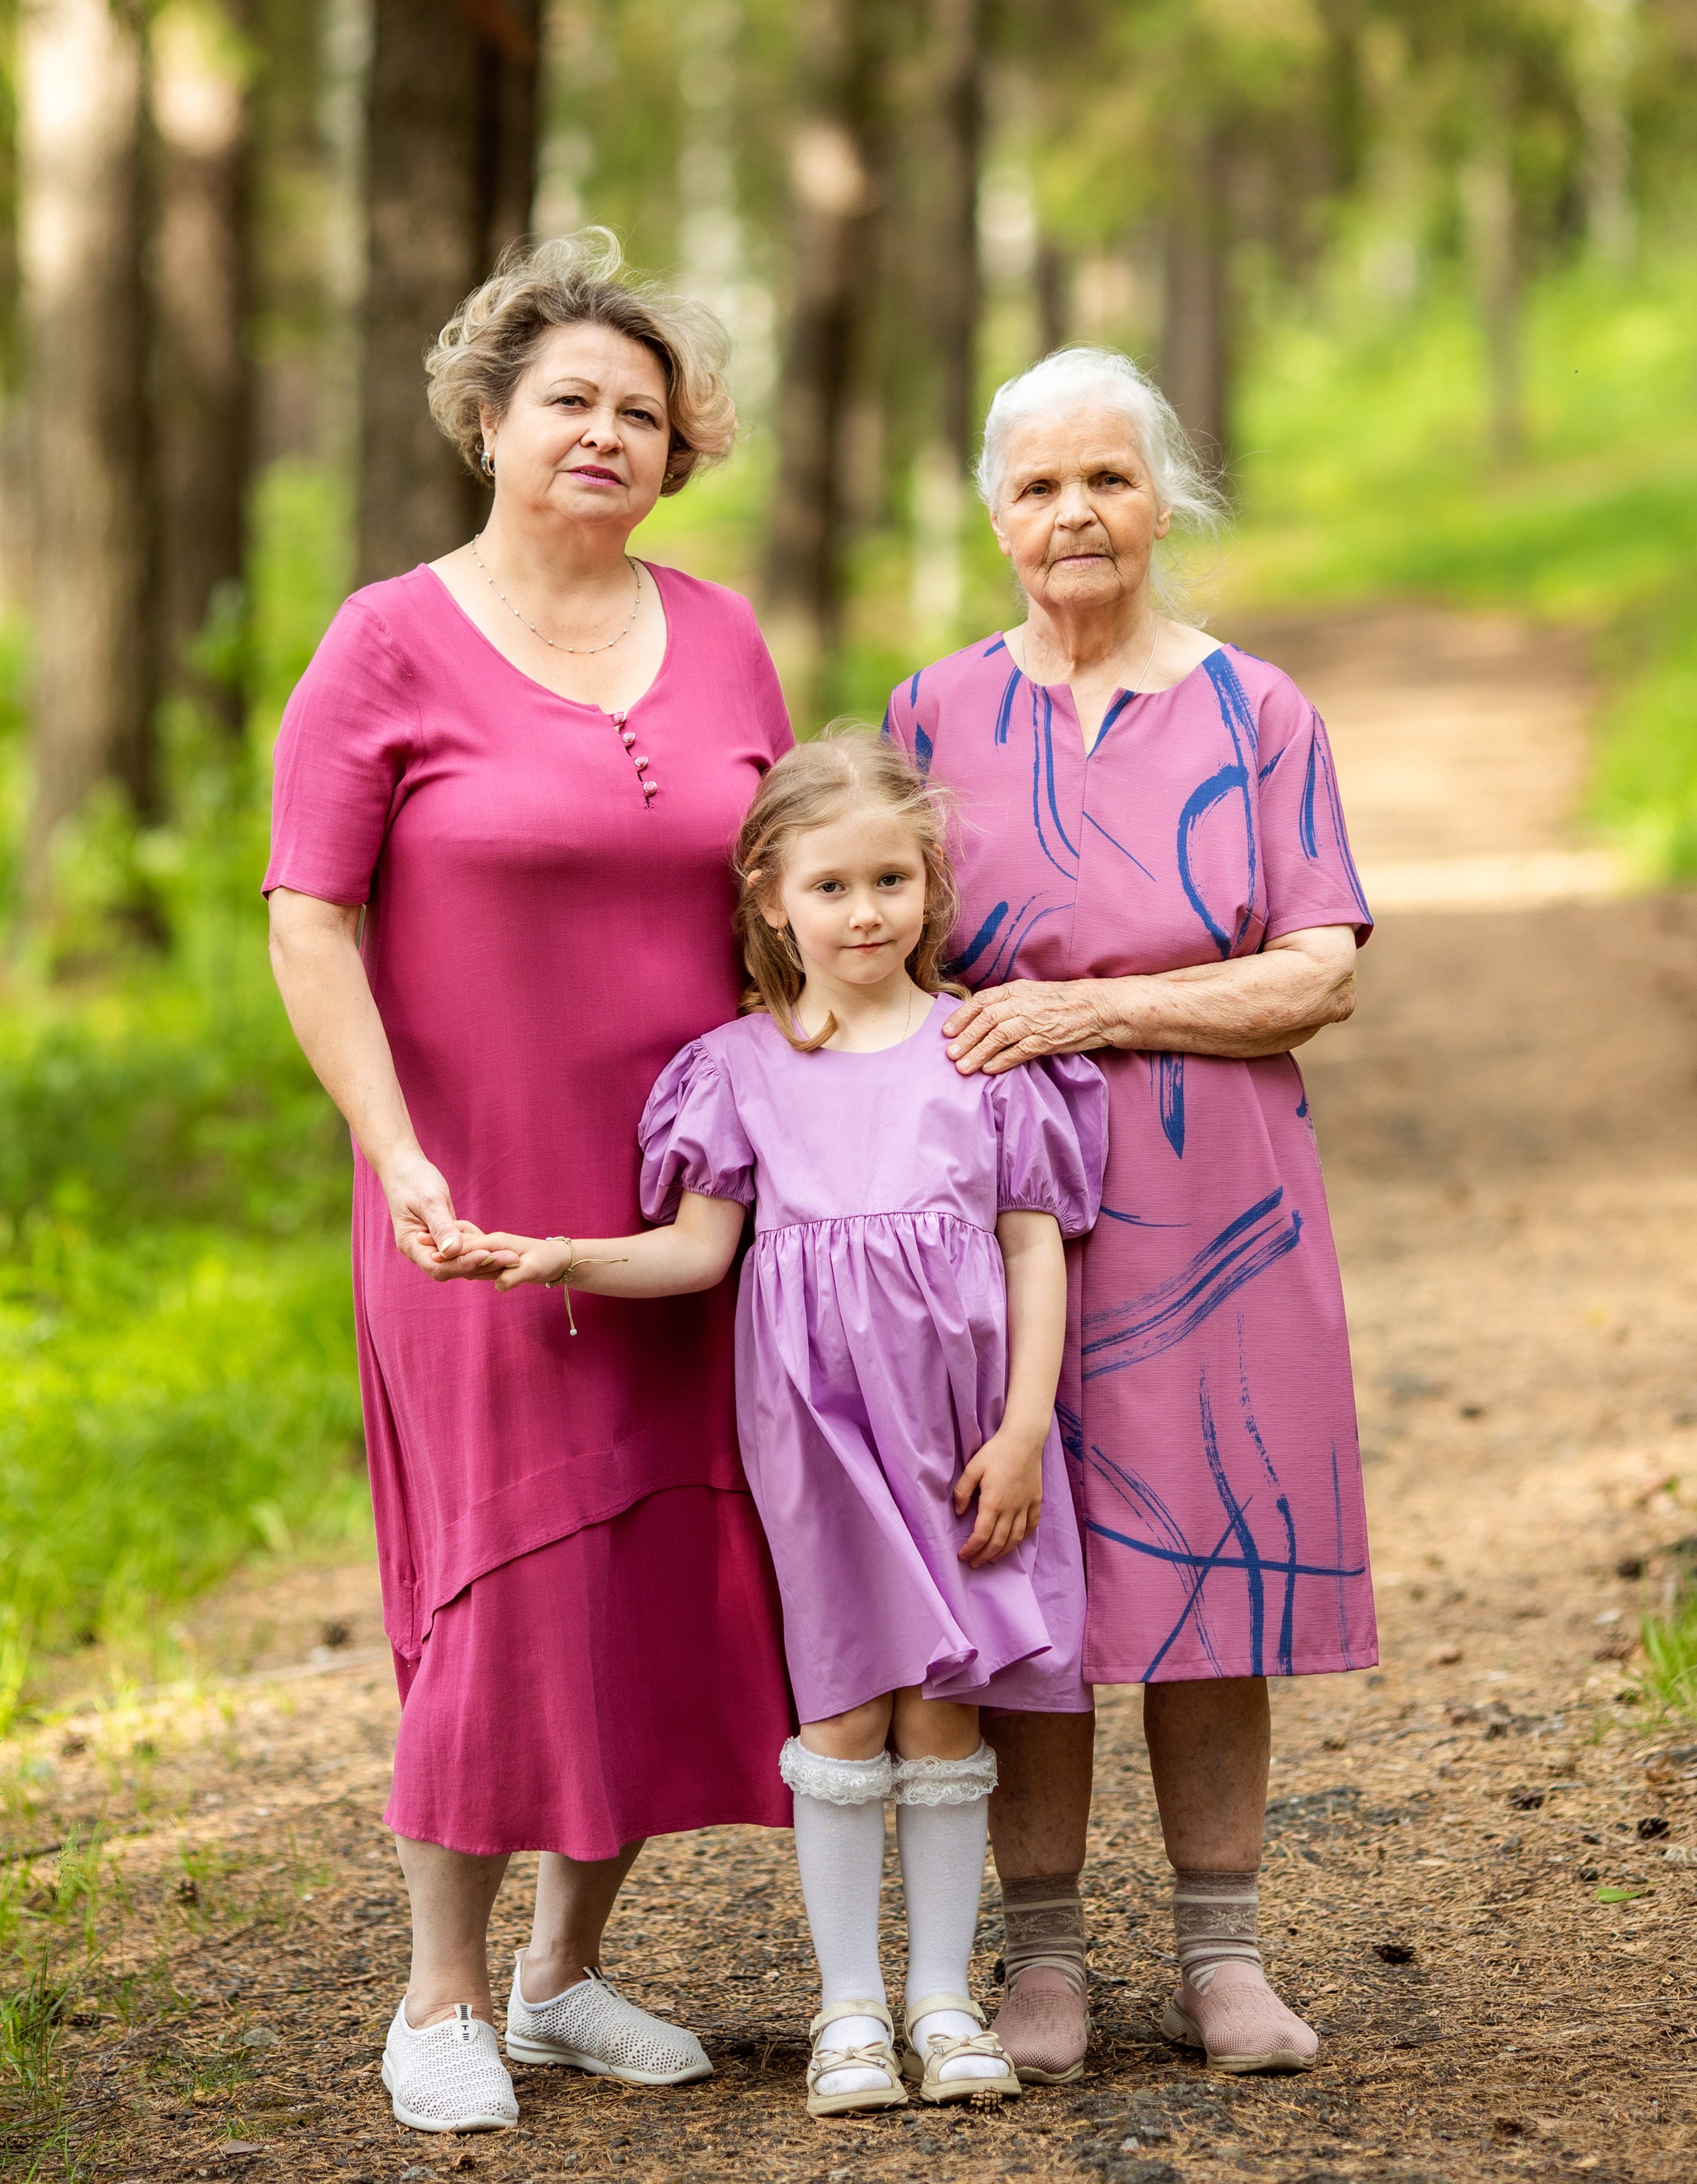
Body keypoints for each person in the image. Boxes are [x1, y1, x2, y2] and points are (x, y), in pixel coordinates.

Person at [264, 231, 797, 2138]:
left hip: (692, 1203)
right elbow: (310, 921)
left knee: (671, 1553)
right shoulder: (386, 639)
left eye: (641, 413)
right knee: (498, 1565)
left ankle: (567, 1974)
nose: (605, 431)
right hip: (465, 1196)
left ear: (679, 455)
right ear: (487, 420)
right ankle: (443, 1992)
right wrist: (394, 1147)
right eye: (568, 397)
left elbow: (789, 897)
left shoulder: (728, 636)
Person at [472, 729, 1107, 2120]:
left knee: (944, 1706)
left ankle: (942, 1999)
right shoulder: (737, 1071)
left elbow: (1031, 1249)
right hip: (815, 1438)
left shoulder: (983, 1047)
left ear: (930, 888)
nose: (865, 910)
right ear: (770, 896)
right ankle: (850, 2009)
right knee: (841, 1700)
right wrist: (558, 1257)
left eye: (891, 879)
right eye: (832, 886)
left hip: (960, 1434)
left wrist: (1021, 1431)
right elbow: (700, 1255)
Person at [885, 345, 1376, 2084]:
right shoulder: (930, 711)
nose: (1074, 513)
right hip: (999, 1198)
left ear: (1165, 500)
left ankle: (1225, 1955)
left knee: (1212, 1555)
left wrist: (1096, 1011)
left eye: (1107, 478)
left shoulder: (1259, 710)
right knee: (1022, 1572)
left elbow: (1316, 967)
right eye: (1037, 487)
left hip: (1216, 1188)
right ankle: (1040, 1967)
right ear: (997, 520)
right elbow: (883, 955)